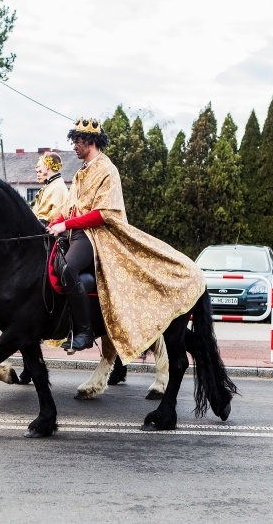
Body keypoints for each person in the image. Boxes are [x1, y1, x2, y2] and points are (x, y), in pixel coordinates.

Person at [46, 116, 206, 361]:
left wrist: (66, 224)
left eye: (78, 141)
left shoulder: (107, 170)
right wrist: (53, 223)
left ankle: (84, 332)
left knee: (69, 269)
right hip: (75, 232)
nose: (74, 145)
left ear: (91, 141)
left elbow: (103, 213)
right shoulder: (81, 173)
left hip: (97, 235)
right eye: (74, 140)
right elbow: (70, 207)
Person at [32, 151, 69, 223]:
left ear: (47, 166)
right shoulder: (49, 185)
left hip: (48, 230)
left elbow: (56, 216)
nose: (38, 174)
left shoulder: (58, 187)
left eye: (39, 171)